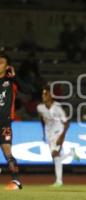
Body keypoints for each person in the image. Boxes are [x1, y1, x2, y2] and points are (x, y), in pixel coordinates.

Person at [37, 85, 79, 187]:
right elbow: (42, 120)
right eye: (42, 94)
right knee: (55, 157)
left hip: (58, 131)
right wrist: (43, 133)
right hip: (49, 133)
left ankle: (59, 181)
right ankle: (70, 154)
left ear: (51, 95)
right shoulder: (40, 107)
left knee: (55, 154)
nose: (44, 96)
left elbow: (66, 123)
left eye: (46, 94)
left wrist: (62, 137)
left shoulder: (57, 107)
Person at [0, 53, 29, 190]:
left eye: (1, 63)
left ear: (7, 67)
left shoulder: (11, 81)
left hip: (4, 122)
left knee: (7, 152)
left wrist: (15, 76)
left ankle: (16, 181)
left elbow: (28, 90)